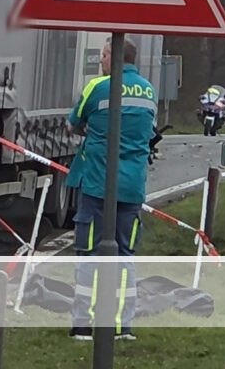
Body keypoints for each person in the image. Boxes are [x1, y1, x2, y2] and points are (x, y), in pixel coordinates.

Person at [65, 38, 157, 341]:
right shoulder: (148, 90)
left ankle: (83, 324)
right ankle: (120, 326)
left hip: (96, 183)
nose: (101, 60)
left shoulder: (98, 87)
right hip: (131, 187)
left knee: (89, 254)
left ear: (113, 57)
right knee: (124, 256)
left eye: (104, 55)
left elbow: (74, 122)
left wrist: (91, 129)